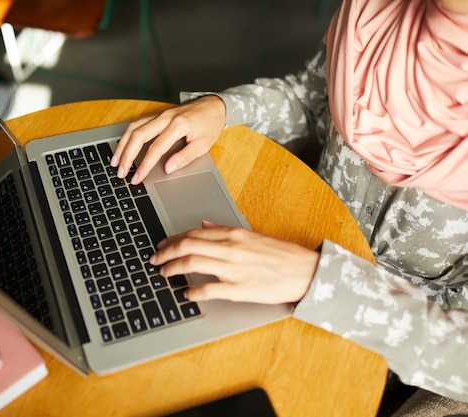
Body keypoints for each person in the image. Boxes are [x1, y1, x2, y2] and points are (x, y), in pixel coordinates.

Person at [111, 0, 468, 414]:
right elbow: (310, 99)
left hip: (385, 336)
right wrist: (222, 110)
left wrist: (319, 280)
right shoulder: (378, 10)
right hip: (285, 242)